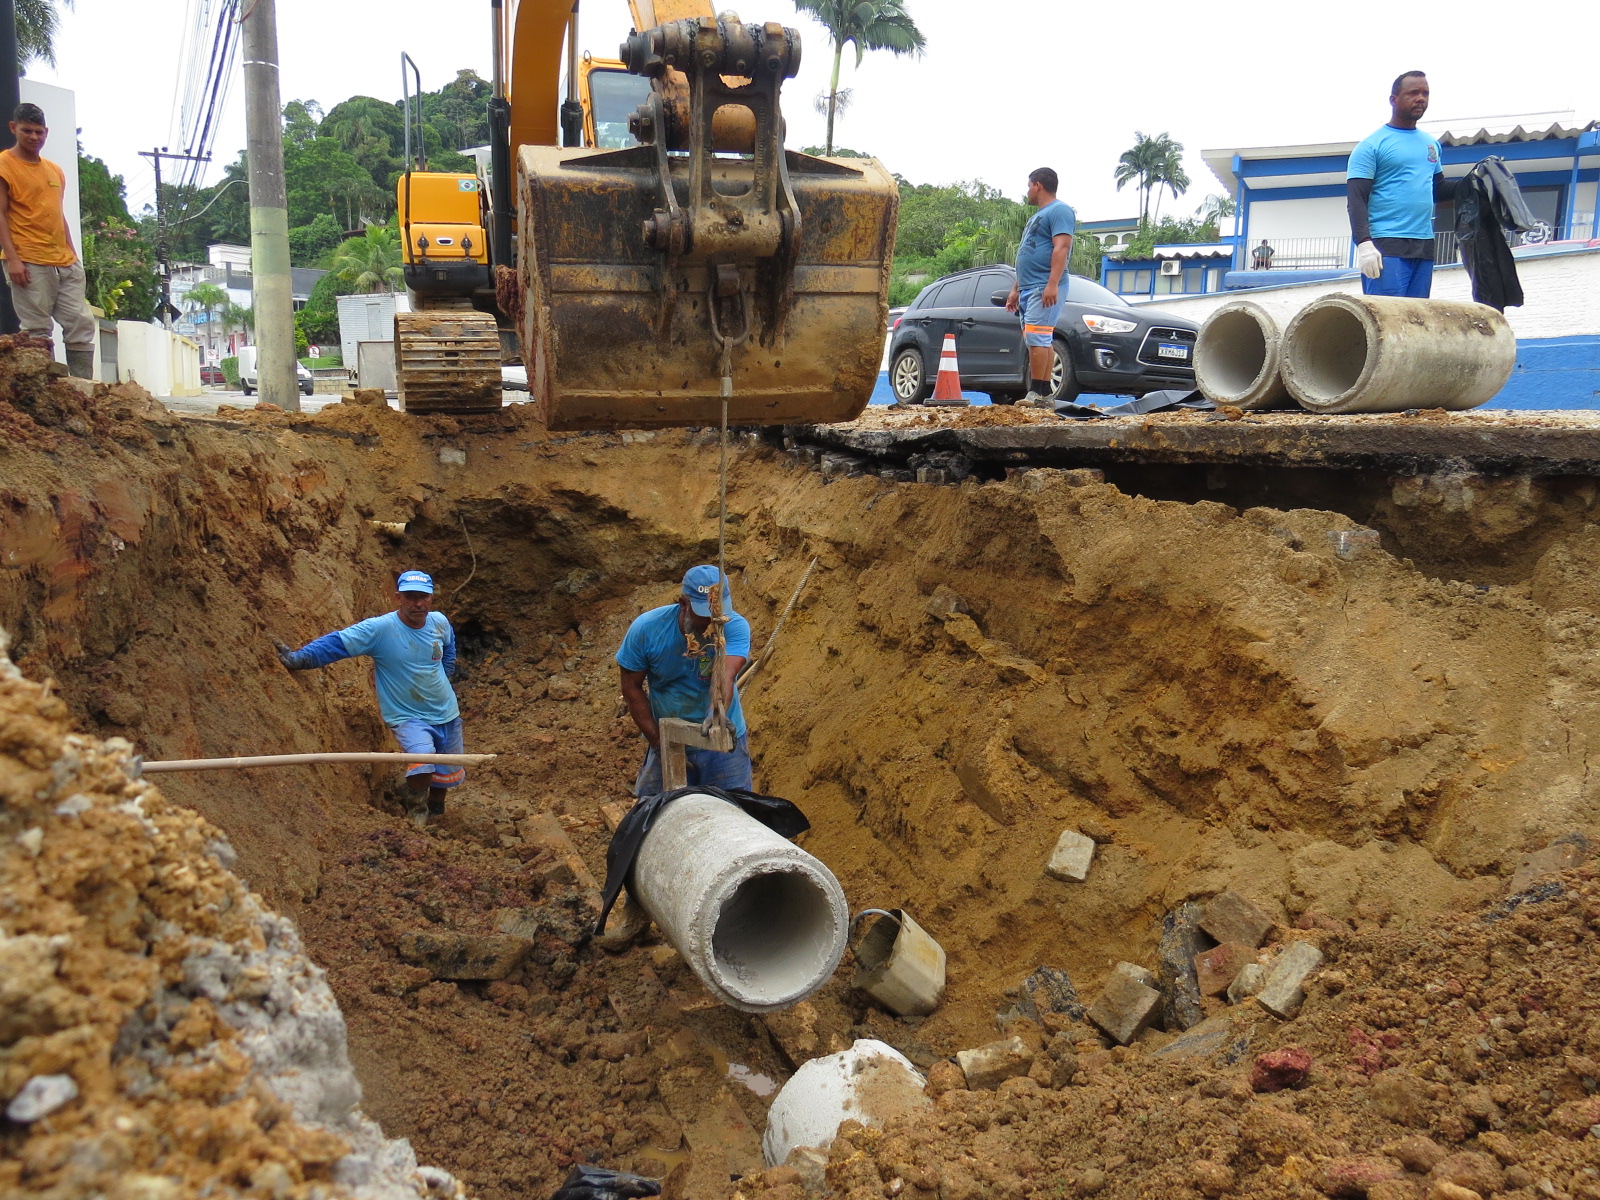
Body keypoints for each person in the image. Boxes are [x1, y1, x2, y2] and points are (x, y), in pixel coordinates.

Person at [275, 570, 464, 827]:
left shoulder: (439, 622)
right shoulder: (381, 629)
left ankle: (437, 813)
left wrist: (446, 672)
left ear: (431, 598)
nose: (418, 603)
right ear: (398, 597)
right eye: (411, 597)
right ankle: (416, 811)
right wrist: (299, 659)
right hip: (408, 715)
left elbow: (449, 645)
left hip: (447, 711)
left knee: (447, 768)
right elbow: (337, 644)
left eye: (423, 597)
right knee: (423, 760)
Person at [617, 565, 752, 796]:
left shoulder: (734, 626)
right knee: (655, 814)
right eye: (704, 615)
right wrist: (659, 743)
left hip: (720, 740)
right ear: (683, 604)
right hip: (669, 739)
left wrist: (716, 713)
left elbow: (725, 675)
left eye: (717, 615)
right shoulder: (646, 629)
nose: (712, 623)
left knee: (735, 810)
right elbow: (631, 688)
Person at [0, 103, 97, 379]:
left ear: (46, 132)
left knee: (80, 322)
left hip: (64, 262)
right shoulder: (4, 165)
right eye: (27, 130)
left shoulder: (54, 170)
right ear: (13, 128)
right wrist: (13, 259)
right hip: (28, 261)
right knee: (37, 329)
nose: (33, 137)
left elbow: (57, 214)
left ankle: (82, 389)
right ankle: (47, 391)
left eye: (39, 132)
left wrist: (73, 255)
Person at [1347, 71, 1453, 298]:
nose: (1421, 98)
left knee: (1416, 322)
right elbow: (1357, 199)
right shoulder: (1371, 145)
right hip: (1386, 245)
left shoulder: (1431, 144)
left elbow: (1439, 190)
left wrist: (1475, 183)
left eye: (1425, 93)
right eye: (1413, 93)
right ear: (1393, 99)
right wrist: (1364, 244)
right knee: (1388, 323)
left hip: (1423, 244)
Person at [1004, 167, 1076, 410]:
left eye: (1028, 186)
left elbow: (1062, 248)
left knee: (1038, 337)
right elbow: (1026, 254)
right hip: (1029, 287)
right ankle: (1043, 394)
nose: (1027, 191)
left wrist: (1052, 284)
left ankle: (1037, 392)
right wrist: (1016, 288)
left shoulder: (1060, 210)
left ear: (1038, 185)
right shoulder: (1037, 216)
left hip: (1043, 286)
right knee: (1037, 338)